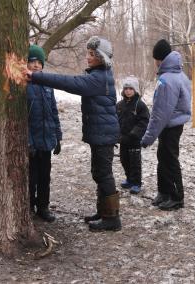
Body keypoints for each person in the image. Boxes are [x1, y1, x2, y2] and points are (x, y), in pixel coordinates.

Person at [24, 36, 121, 232]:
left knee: (104, 174)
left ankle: (112, 218)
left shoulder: (99, 78)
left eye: (92, 54)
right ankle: (103, 212)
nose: (88, 57)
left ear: (101, 58)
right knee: (99, 173)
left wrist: (35, 76)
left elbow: (71, 83)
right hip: (101, 134)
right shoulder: (99, 75)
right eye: (88, 53)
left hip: (104, 135)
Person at [141, 39, 191, 211]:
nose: (154, 62)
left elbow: (160, 114)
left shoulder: (167, 80)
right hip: (172, 125)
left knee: (170, 160)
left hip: (170, 126)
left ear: (160, 59)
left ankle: (177, 197)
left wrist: (148, 138)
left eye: (155, 59)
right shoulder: (179, 75)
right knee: (163, 158)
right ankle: (164, 192)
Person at [27, 44, 62, 222]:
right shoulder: (25, 86)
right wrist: (29, 142)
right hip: (32, 143)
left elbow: (54, 112)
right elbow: (22, 119)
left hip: (47, 140)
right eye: (32, 62)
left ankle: (43, 207)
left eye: (39, 62)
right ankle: (29, 207)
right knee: (31, 178)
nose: (36, 65)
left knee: (44, 177)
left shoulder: (48, 86)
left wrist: (58, 136)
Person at [116, 76, 150, 194]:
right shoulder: (119, 105)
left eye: (131, 88)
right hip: (123, 139)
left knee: (134, 162)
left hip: (134, 139)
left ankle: (136, 182)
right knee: (124, 160)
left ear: (135, 90)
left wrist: (134, 133)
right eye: (126, 88)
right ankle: (129, 179)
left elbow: (144, 121)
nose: (128, 91)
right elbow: (116, 120)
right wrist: (117, 134)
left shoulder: (140, 105)